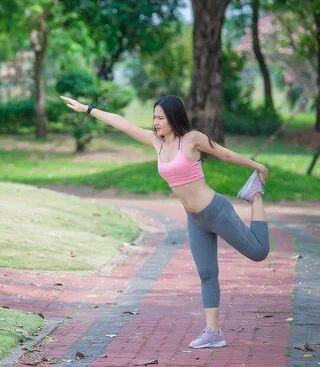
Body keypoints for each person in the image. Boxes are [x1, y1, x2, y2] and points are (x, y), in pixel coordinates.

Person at [60, 94, 269, 349]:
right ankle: (213, 333)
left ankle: (255, 196)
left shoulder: (192, 139)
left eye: (160, 118)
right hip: (195, 220)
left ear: (173, 117)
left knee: (259, 252)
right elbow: (121, 123)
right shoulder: (156, 142)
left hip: (216, 211)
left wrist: (256, 165)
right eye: (154, 118)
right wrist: (88, 109)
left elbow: (224, 154)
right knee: (206, 273)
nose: (156, 123)